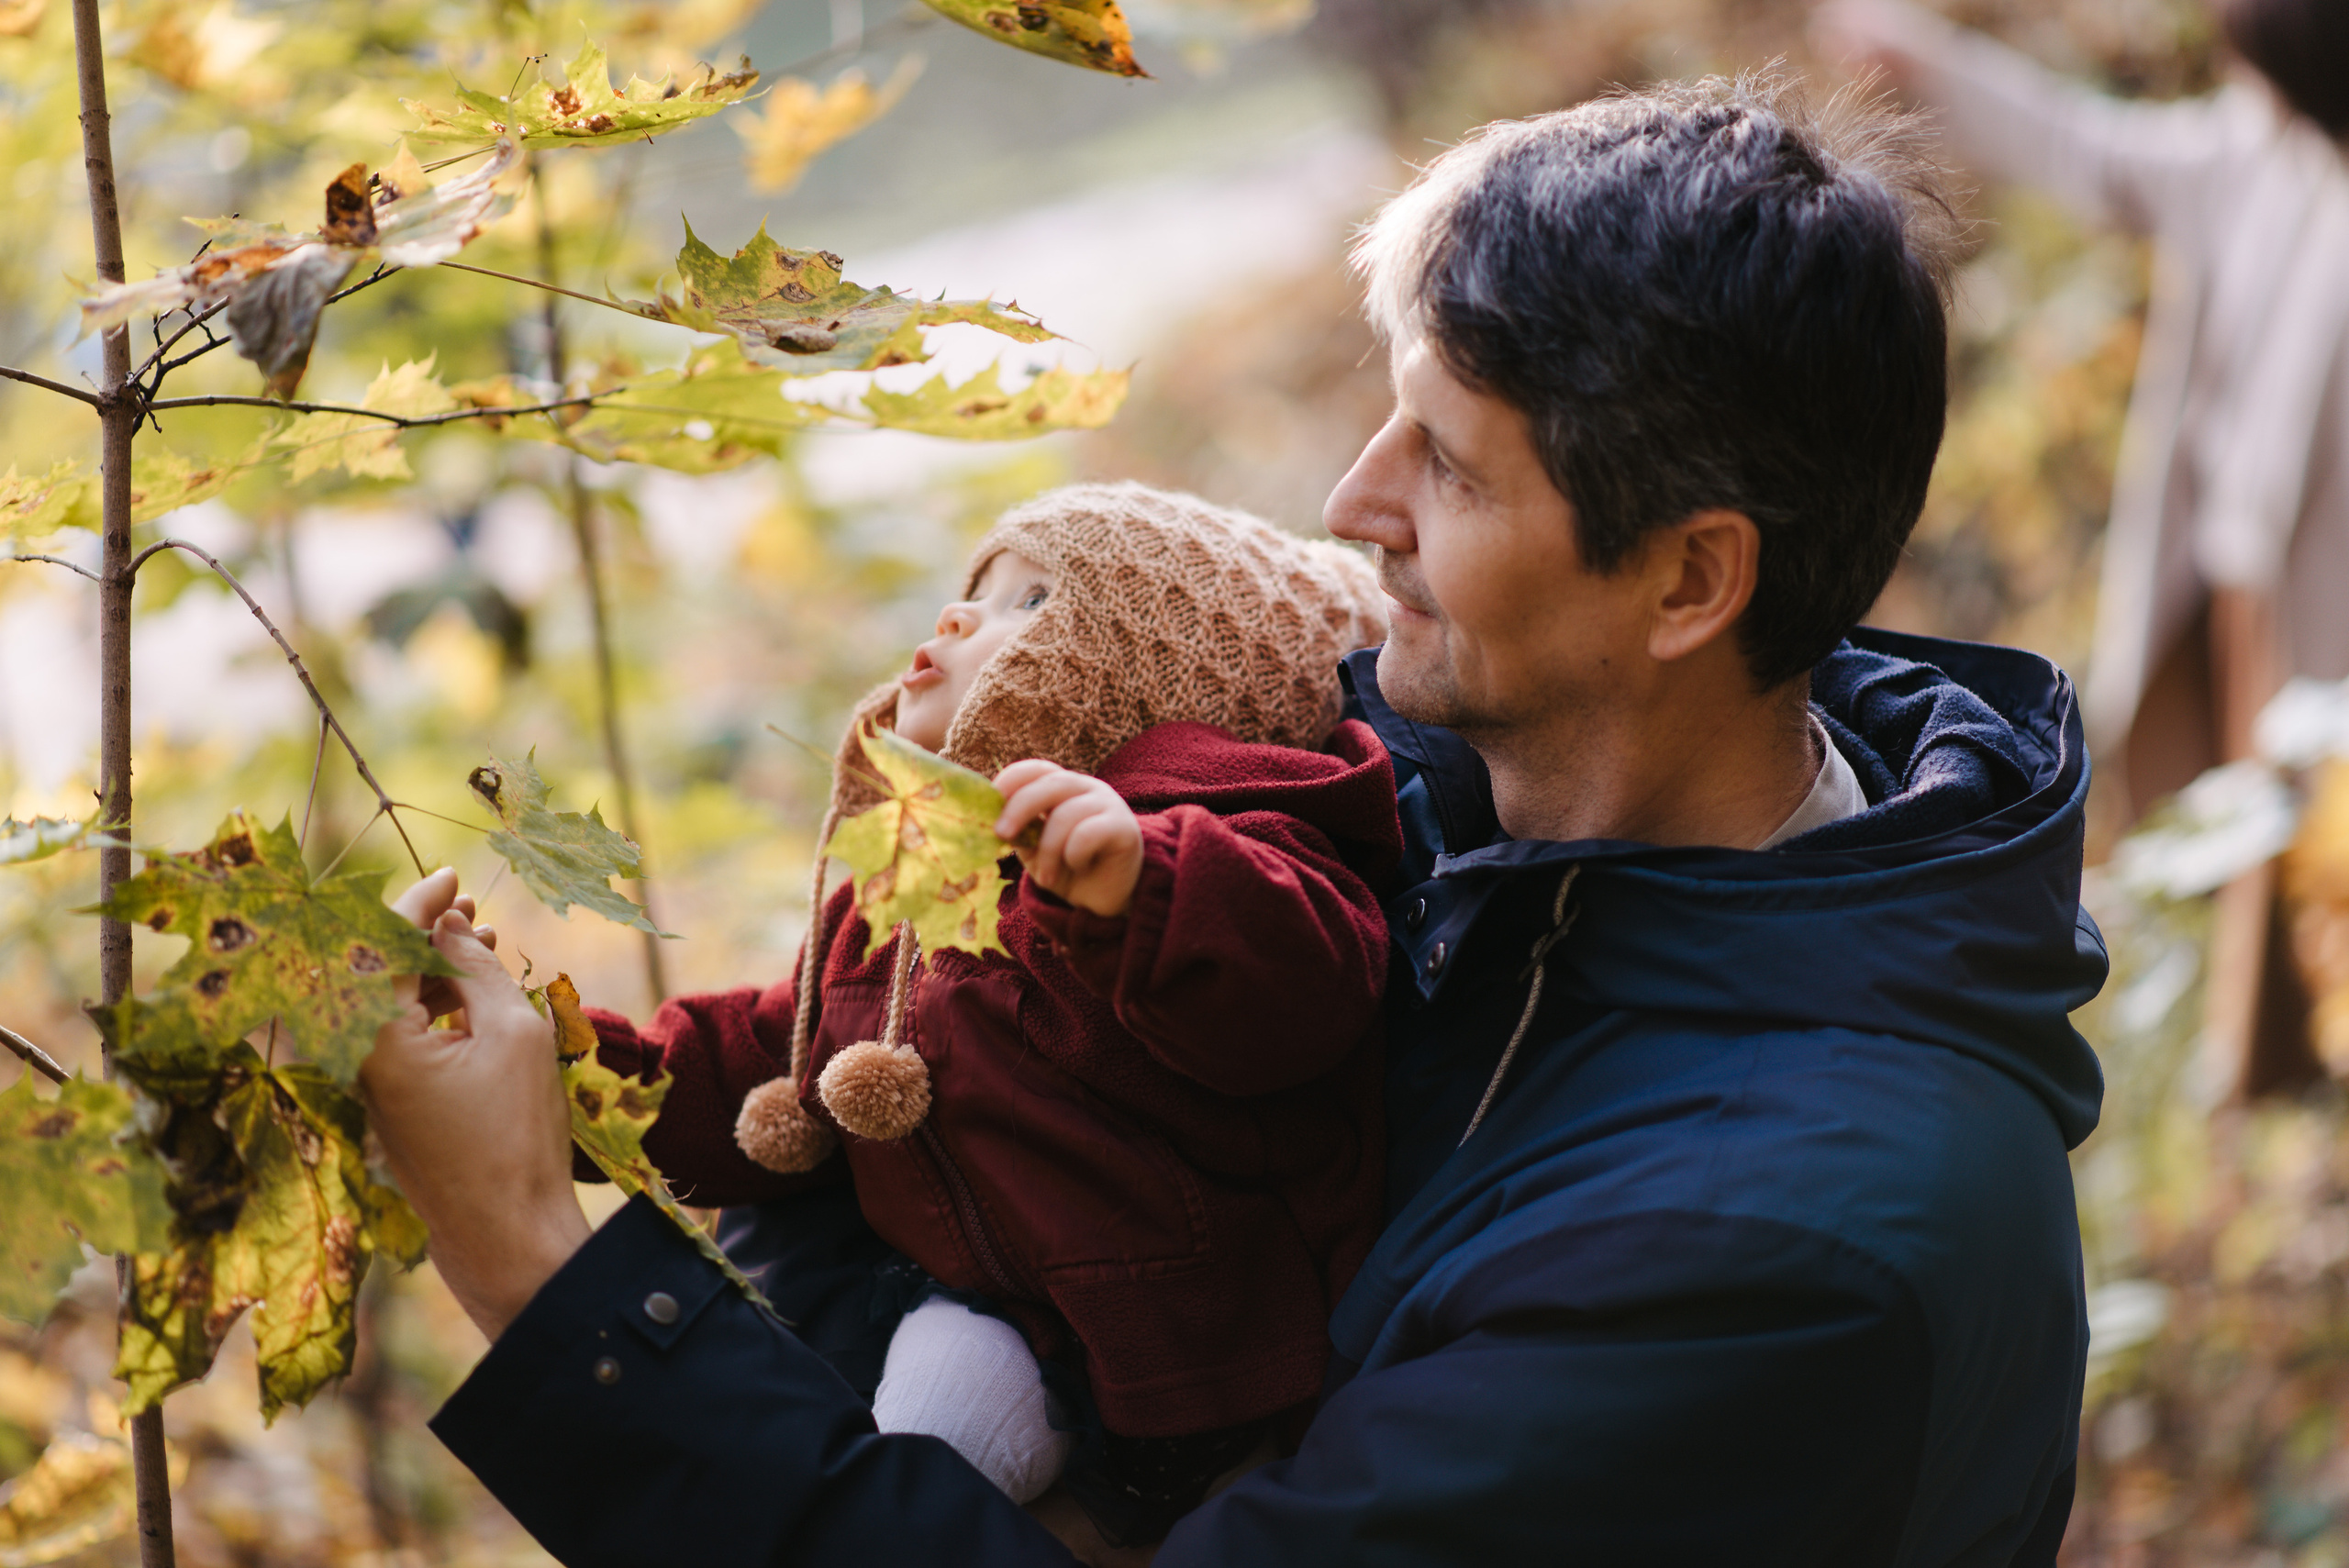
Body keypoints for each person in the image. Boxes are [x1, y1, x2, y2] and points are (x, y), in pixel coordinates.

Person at [362, 70, 2108, 1565]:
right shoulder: (1436, 838)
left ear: (1689, 580)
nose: (1356, 500)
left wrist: (535, 1266)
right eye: (1388, 415)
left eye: (1452, 459)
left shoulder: (1781, 1254)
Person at [567, 482, 1397, 1540]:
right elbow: (774, 1044)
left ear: (1145, 678)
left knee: (899, 1476)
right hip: (985, 1313)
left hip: (1197, 1354)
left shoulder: (1229, 845)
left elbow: (1298, 986)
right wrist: (578, 1071)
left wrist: (1138, 880)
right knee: (873, 1452)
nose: (955, 617)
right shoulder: (919, 880)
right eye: (973, 593)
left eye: (1031, 601)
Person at [1815, 0, 2349, 1091]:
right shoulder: (2264, 147)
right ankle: (2260, 1149)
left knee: (2312, 895)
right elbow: (2090, 148)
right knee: (2268, 897)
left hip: (2323, 617)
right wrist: (1926, 62)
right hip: (2250, 600)